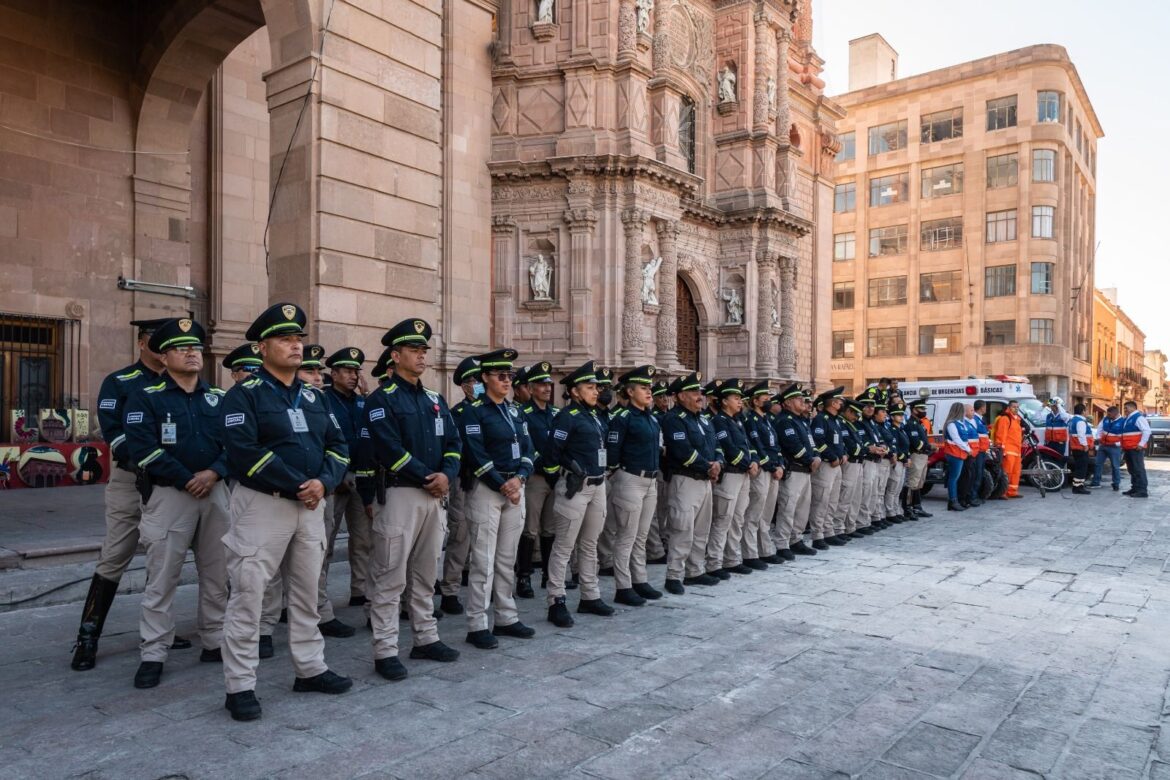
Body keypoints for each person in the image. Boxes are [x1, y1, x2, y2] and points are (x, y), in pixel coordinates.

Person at [219, 303, 353, 721]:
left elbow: (338, 445)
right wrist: (299, 483)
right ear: (261, 348)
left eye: (298, 339)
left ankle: (310, 668)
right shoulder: (244, 395)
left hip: (310, 505)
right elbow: (243, 451)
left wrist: (325, 482)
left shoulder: (314, 396)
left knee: (306, 593)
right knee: (249, 595)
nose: (296, 345)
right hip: (264, 505)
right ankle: (240, 684)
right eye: (285, 339)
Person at [124, 318, 228, 689]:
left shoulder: (218, 398)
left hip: (215, 494)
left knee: (217, 574)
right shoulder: (146, 396)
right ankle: (154, 651)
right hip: (171, 495)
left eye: (196, 348)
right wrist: (187, 477)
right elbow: (141, 449)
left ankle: (215, 640)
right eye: (183, 348)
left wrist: (213, 473)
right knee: (162, 576)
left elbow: (236, 444)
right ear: (163, 356)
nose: (192, 353)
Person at [363, 318, 463, 682]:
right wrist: (428, 477)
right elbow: (388, 449)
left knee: (425, 574)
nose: (422, 356)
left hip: (434, 496)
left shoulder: (436, 400)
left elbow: (454, 443)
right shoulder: (381, 399)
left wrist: (447, 475)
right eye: (414, 351)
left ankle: (426, 637)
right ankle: (385, 648)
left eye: (424, 351)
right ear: (396, 355)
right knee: (390, 576)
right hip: (401, 494)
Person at [71, 317, 173, 672]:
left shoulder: (182, 383)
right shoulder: (120, 383)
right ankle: (88, 635)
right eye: (158, 341)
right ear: (142, 343)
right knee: (115, 554)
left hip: (173, 484)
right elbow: (113, 433)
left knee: (166, 557)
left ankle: (159, 632)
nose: (165, 348)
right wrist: (149, 461)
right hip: (133, 480)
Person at [458, 348, 537, 648]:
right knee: (483, 558)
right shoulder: (473, 411)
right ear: (485, 378)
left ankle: (506, 616)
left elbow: (528, 448)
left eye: (510, 376)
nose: (507, 381)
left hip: (515, 488)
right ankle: (477, 622)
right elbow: (475, 452)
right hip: (487, 490)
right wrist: (502, 482)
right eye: (501, 376)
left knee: (507, 558)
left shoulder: (515, 410)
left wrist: (520, 478)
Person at [543, 361, 612, 626]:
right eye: (589, 387)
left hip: (597, 485)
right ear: (574, 391)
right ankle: (556, 600)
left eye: (596, 387)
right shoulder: (566, 417)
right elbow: (552, 453)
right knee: (564, 546)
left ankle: (590, 595)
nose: (595, 392)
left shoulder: (593, 416)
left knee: (590, 544)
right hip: (575, 487)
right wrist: (561, 478)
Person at [604, 365, 663, 605]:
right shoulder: (622, 419)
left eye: (649, 387)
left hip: (650, 480)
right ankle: (623, 586)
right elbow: (612, 452)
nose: (649, 391)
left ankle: (640, 580)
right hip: (630, 479)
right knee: (626, 536)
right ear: (629, 392)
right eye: (643, 387)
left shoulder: (650, 418)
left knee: (641, 535)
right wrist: (618, 473)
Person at [659, 371, 722, 594]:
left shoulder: (703, 419)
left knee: (701, 530)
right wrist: (708, 466)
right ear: (680, 396)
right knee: (682, 529)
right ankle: (674, 575)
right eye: (693, 392)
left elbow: (716, 446)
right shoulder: (674, 419)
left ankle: (695, 571)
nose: (699, 396)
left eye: (699, 392)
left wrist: (718, 463)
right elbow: (682, 451)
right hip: (685, 480)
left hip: (705, 481)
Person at [323, 347, 375, 617]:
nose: (354, 376)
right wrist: (335, 475)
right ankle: (319, 599)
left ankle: (360, 590)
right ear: (333, 374)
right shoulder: (323, 400)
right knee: (326, 541)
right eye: (348, 371)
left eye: (357, 371)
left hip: (360, 478)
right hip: (334, 479)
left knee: (363, 538)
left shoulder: (362, 402)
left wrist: (367, 395)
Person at [438, 356, 481, 616]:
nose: (478, 386)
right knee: (460, 534)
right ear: (464, 386)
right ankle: (450, 590)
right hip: (464, 481)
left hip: (491, 483)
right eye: (473, 381)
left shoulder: (495, 409)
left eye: (480, 380)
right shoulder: (458, 414)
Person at [707, 379, 758, 577]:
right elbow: (728, 447)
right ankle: (714, 562)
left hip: (743, 474)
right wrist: (747, 463)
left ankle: (732, 559)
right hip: (730, 475)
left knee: (737, 519)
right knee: (723, 519)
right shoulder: (719, 420)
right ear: (724, 401)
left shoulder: (737, 420)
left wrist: (753, 460)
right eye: (736, 398)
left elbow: (747, 445)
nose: (740, 402)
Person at [520, 361, 558, 591]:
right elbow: (526, 445)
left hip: (555, 478)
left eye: (548, 384)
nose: (546, 389)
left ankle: (548, 573)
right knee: (530, 529)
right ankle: (524, 576)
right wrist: (544, 464)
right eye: (541, 385)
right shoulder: (524, 414)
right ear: (530, 388)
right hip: (536, 477)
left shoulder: (556, 414)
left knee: (550, 529)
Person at [774, 383, 822, 555]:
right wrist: (810, 459)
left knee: (802, 509)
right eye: (797, 398)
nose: (802, 401)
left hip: (806, 470)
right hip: (793, 470)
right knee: (788, 508)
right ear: (787, 403)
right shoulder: (784, 421)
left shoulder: (801, 420)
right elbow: (792, 445)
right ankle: (782, 543)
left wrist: (816, 455)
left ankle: (796, 539)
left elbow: (810, 442)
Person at [743, 382, 785, 565]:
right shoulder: (750, 420)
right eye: (765, 397)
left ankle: (765, 549)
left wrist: (780, 464)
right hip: (763, 470)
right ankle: (750, 554)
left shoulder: (767, 420)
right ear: (755, 401)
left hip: (774, 470)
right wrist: (771, 466)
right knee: (754, 514)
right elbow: (756, 445)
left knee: (766, 514)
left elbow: (775, 446)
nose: (769, 400)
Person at [809, 387, 847, 548]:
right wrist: (832, 456)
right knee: (821, 501)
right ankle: (817, 535)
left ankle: (828, 531)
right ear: (832, 402)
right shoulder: (821, 419)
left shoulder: (835, 420)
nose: (841, 403)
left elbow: (840, 441)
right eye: (839, 401)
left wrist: (843, 453)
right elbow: (818, 440)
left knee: (832, 500)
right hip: (827, 464)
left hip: (837, 465)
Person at [835, 399, 867, 538]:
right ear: (848, 411)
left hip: (858, 463)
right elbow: (851, 447)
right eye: (855, 414)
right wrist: (865, 449)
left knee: (855, 497)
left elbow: (859, 445)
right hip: (850, 464)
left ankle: (850, 526)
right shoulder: (842, 424)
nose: (856, 418)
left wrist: (863, 449)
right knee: (845, 497)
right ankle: (838, 527)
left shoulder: (851, 425)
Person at [904, 399, 935, 513]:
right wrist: (929, 447)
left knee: (919, 483)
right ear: (914, 410)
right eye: (921, 409)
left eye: (924, 409)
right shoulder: (911, 424)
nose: (924, 411)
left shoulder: (919, 423)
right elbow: (916, 443)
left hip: (923, 456)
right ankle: (908, 507)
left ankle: (917, 506)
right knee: (912, 482)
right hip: (916, 455)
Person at [884, 404, 913, 522]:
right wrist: (904, 458)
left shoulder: (901, 429)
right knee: (893, 487)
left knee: (898, 488)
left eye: (902, 414)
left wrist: (909, 457)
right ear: (891, 417)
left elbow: (907, 446)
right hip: (898, 462)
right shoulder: (892, 430)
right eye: (898, 415)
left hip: (903, 462)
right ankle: (890, 512)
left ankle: (896, 510)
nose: (901, 417)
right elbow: (895, 447)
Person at [942, 402, 973, 512]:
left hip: (960, 453)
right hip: (954, 454)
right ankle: (953, 501)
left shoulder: (960, 423)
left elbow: (964, 439)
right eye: (963, 410)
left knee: (956, 478)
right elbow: (957, 439)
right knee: (953, 478)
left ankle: (955, 501)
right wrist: (968, 449)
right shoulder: (952, 424)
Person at [991, 400, 1024, 499]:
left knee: (1016, 472)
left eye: (1017, 407)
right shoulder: (1005, 419)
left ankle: (1012, 491)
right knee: (1007, 472)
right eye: (1014, 407)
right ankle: (1002, 492)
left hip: (1016, 451)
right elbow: (1001, 434)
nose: (1016, 409)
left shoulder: (1016, 419)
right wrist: (1001, 449)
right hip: (1008, 450)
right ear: (1009, 407)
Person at [1119, 400, 1151, 498]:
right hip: (1128, 448)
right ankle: (1135, 488)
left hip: (1136, 448)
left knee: (1138, 469)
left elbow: (1147, 431)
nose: (1125, 410)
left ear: (1133, 407)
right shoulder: (1128, 418)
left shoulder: (1139, 418)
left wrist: (1141, 444)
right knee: (1132, 469)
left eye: (1126, 408)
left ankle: (1142, 490)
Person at [964, 400, 991, 507]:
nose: (986, 409)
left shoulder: (979, 420)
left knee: (978, 474)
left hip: (981, 450)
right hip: (978, 451)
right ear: (982, 408)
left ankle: (974, 496)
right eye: (985, 407)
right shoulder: (974, 420)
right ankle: (972, 497)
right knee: (976, 475)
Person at [1090, 405, 1123, 491]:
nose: (1107, 416)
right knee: (1098, 464)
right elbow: (1099, 429)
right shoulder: (1105, 419)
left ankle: (1116, 484)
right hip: (1103, 445)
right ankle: (1096, 482)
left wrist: (1118, 443)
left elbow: (1124, 435)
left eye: (1109, 414)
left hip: (1114, 447)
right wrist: (1098, 438)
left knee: (1115, 466)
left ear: (1115, 414)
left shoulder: (1123, 422)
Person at [1067, 403, 1093, 495]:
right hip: (1081, 447)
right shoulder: (1080, 421)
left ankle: (1078, 485)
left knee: (1079, 467)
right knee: (1081, 468)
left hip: (1075, 447)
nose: (1086, 413)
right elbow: (1081, 435)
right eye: (1086, 410)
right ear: (1083, 411)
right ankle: (1078, 487)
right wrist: (1085, 445)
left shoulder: (1073, 420)